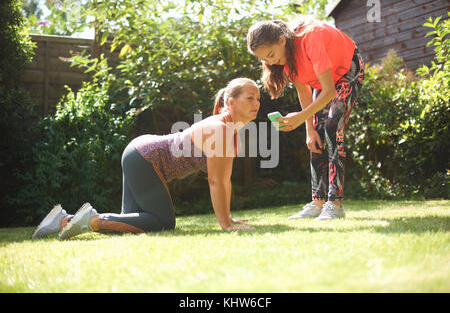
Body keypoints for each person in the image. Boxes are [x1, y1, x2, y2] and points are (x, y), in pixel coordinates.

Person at [32, 77, 260, 240]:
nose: (256, 104)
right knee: (162, 223)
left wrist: (229, 218)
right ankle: (90, 218)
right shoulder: (219, 129)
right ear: (230, 102)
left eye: (258, 98)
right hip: (144, 157)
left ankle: (63, 220)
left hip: (139, 153)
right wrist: (226, 224)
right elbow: (216, 182)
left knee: (131, 223)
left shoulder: (229, 133)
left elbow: (224, 180)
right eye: (250, 98)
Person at [247, 17, 365, 220]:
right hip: (324, 80)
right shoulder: (285, 60)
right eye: (265, 59)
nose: (271, 62)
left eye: (271, 55)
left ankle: (335, 204)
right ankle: (318, 201)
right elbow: (304, 92)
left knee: (331, 126)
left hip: (347, 70)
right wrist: (309, 131)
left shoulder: (312, 39)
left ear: (282, 40)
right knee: (317, 137)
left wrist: (301, 118)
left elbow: (328, 92)